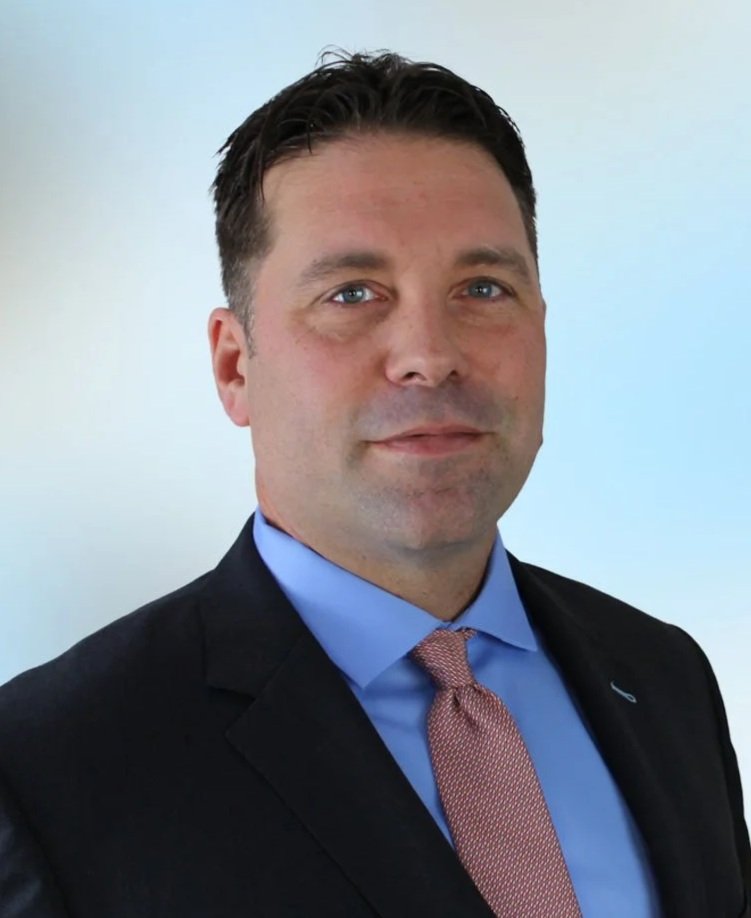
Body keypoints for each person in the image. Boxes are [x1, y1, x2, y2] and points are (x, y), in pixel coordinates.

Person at [0, 51, 748, 918]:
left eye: (481, 287)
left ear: (541, 329)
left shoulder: (662, 676)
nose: (430, 354)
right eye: (352, 293)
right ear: (235, 365)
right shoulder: (51, 768)